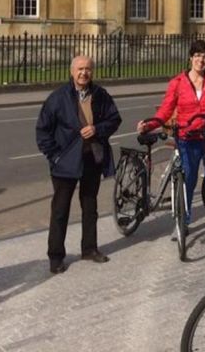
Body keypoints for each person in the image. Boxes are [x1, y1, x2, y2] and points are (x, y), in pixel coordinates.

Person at [36, 56, 121, 274]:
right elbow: (43, 131)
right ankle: (56, 257)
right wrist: (54, 156)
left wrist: (97, 129)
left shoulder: (100, 95)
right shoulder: (58, 98)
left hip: (91, 158)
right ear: (72, 71)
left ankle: (90, 249)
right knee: (60, 210)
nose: (84, 73)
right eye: (80, 69)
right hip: (65, 162)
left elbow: (114, 119)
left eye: (88, 69)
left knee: (90, 206)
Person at [137, 40, 205, 232]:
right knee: (188, 179)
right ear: (190, 58)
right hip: (188, 138)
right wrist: (150, 124)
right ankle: (184, 220)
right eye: (197, 56)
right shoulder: (177, 83)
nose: (201, 60)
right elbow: (165, 110)